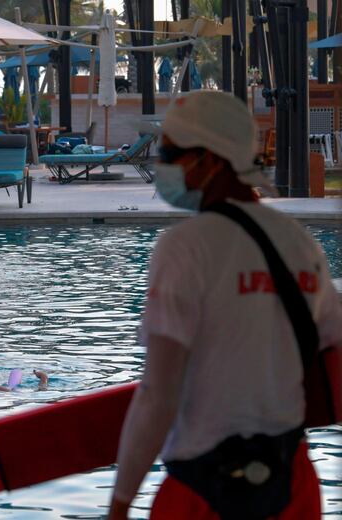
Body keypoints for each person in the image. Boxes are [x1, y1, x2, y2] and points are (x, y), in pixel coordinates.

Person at [108, 91, 342, 519]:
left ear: (209, 161)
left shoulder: (184, 249)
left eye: (171, 153)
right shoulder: (300, 242)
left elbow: (160, 393)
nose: (163, 165)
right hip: (293, 484)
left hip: (202, 492)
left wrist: (120, 503)